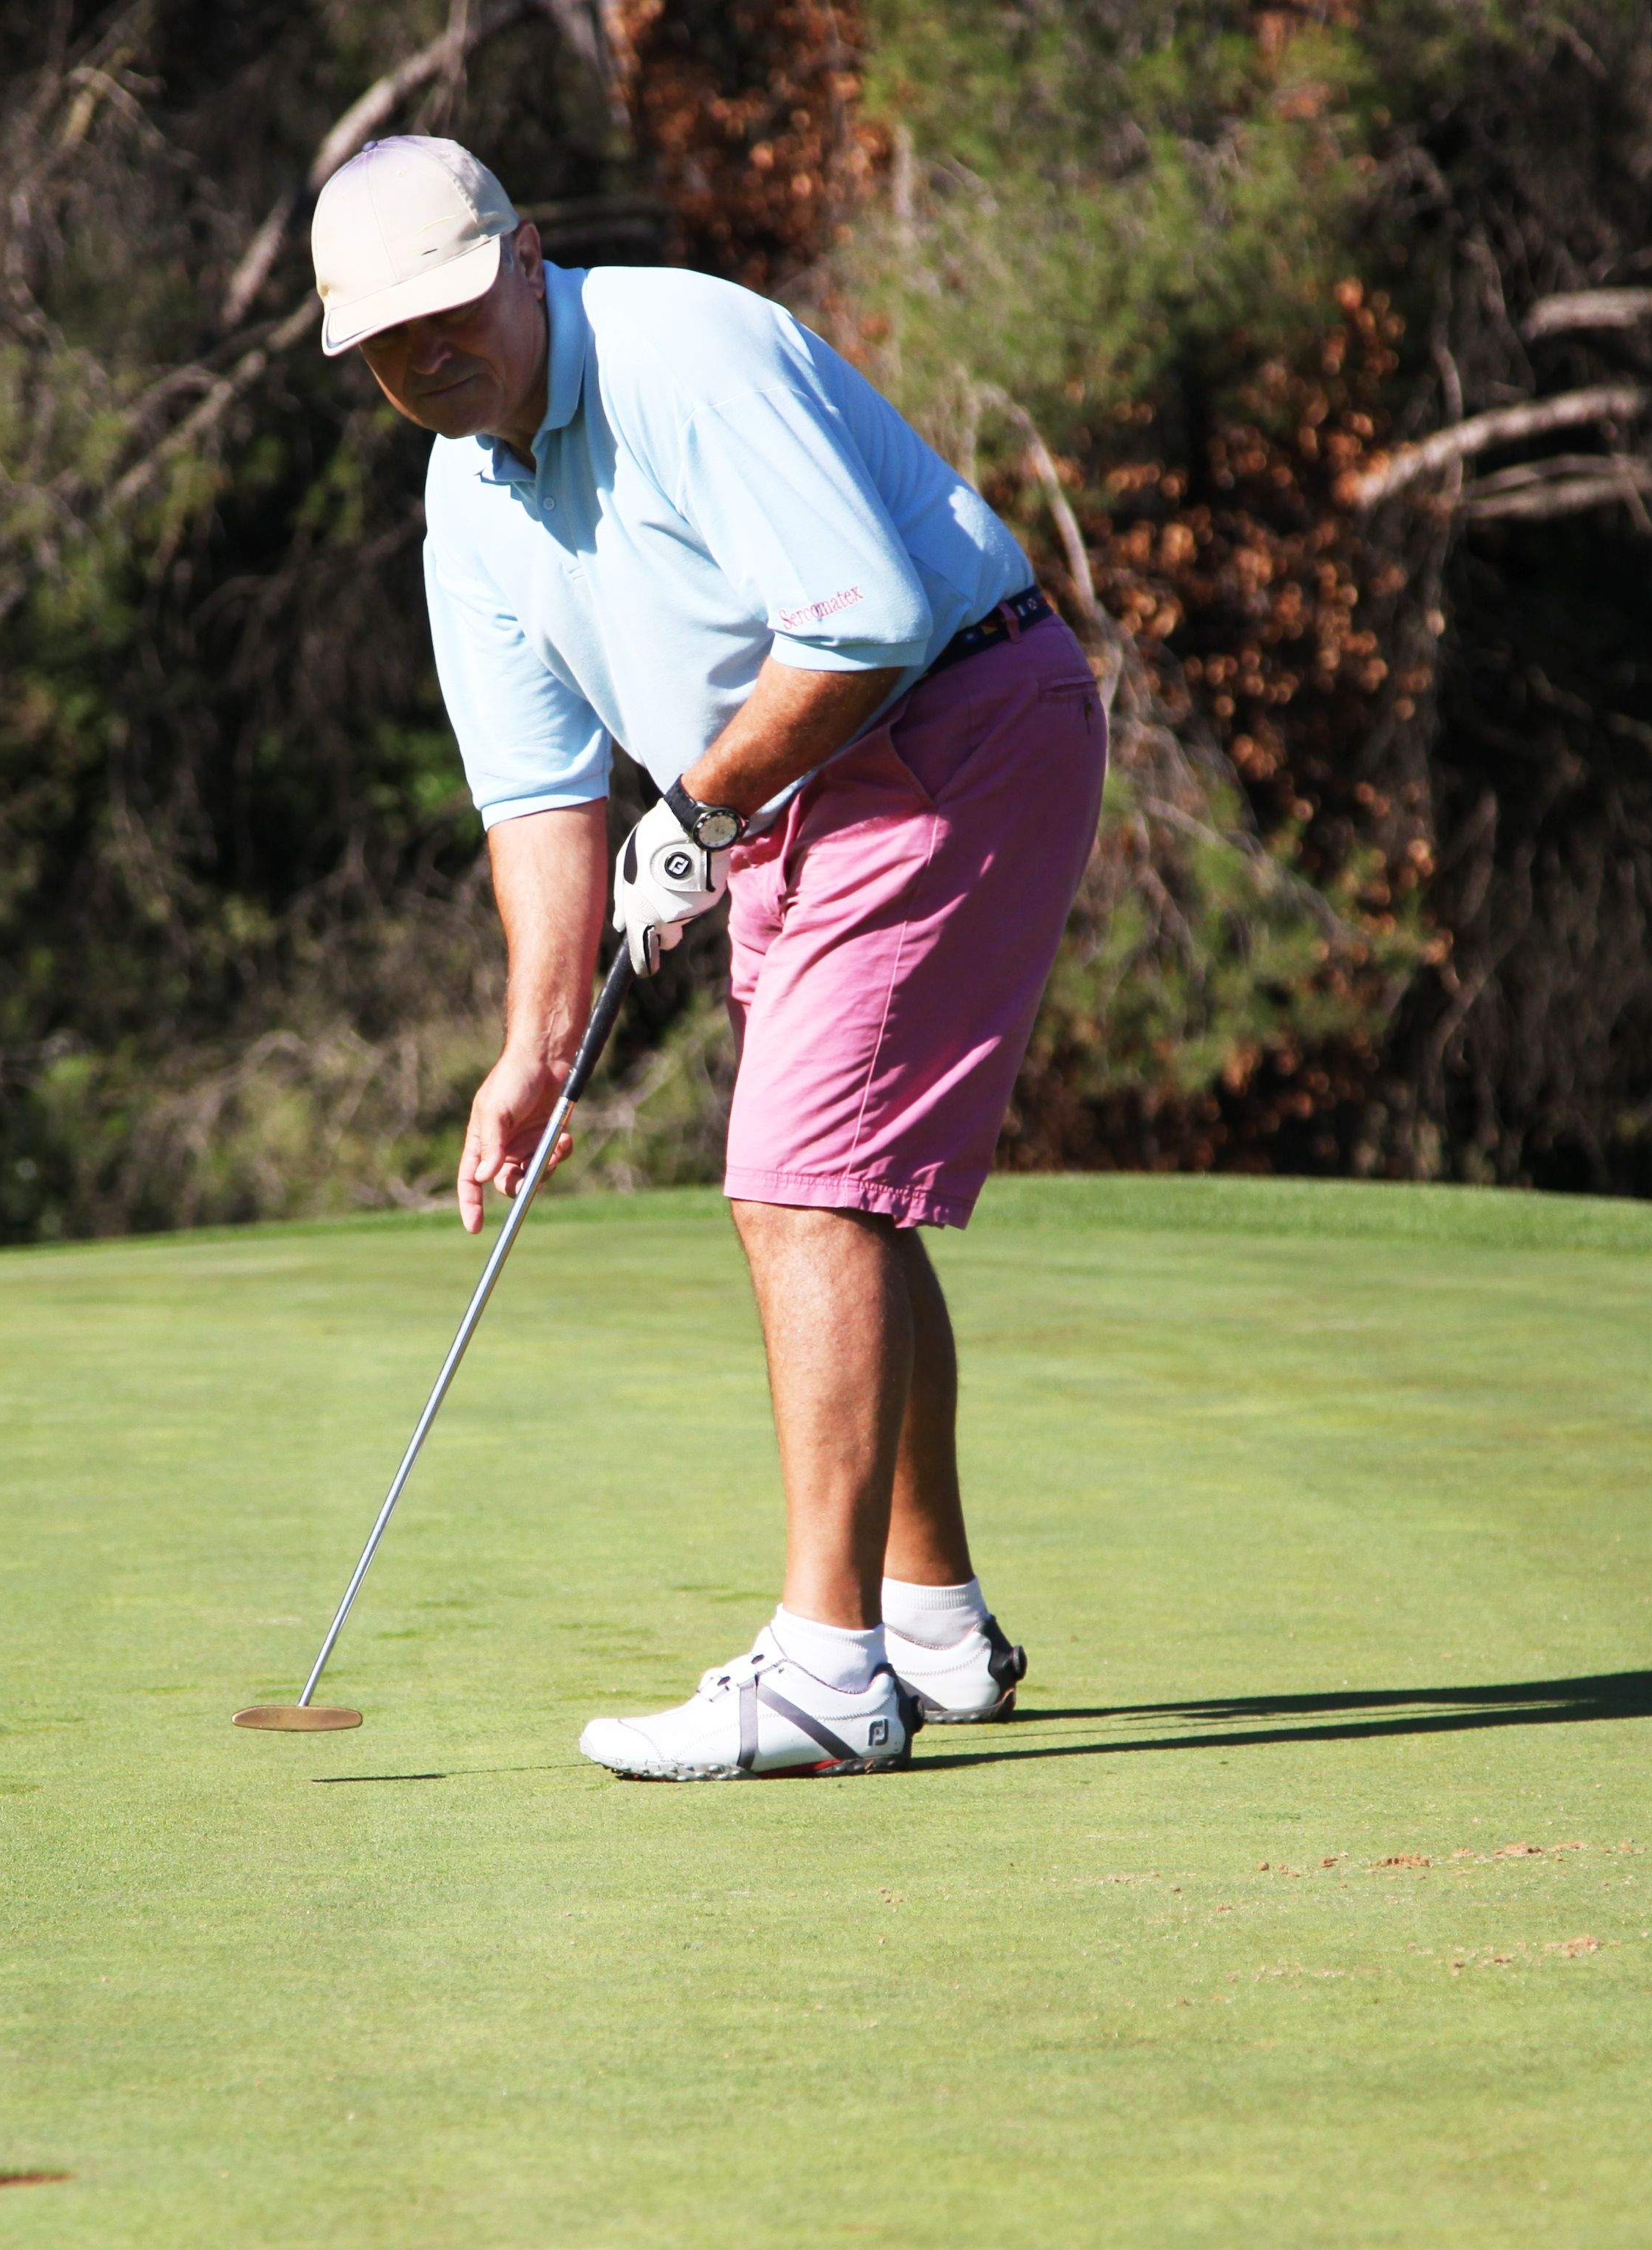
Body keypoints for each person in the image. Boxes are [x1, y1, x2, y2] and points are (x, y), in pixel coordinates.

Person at [310, 137, 1107, 1779]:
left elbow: (867, 614)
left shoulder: (687, 353)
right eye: (387, 341)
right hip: (800, 784)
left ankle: (827, 1675)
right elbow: (538, 801)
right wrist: (531, 1053)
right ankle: (931, 1622)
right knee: (842, 1185)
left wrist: (698, 802)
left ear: (525, 258)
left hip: (951, 718)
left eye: (452, 306)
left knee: (798, 1182)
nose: (428, 352)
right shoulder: (467, 499)